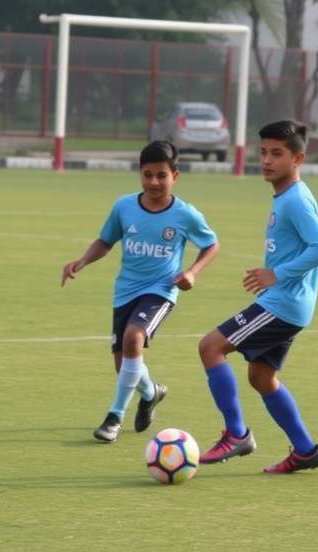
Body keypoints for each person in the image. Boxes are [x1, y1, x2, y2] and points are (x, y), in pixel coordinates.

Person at [197, 120, 318, 474]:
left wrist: (277, 274)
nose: (267, 161)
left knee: (210, 347)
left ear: (298, 158)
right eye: (263, 153)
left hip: (283, 304)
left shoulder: (296, 201)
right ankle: (305, 450)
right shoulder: (287, 197)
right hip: (289, 304)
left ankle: (236, 435)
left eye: (277, 153)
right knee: (261, 377)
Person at [61, 140, 218, 443]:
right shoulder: (124, 207)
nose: (154, 182)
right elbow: (105, 241)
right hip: (125, 291)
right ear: (140, 174)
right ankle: (151, 392)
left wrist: (191, 272)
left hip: (162, 291)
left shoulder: (185, 214)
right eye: (148, 175)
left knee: (134, 337)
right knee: (124, 366)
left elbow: (211, 245)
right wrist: (81, 261)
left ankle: (114, 417)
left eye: (162, 175)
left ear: (175, 176)